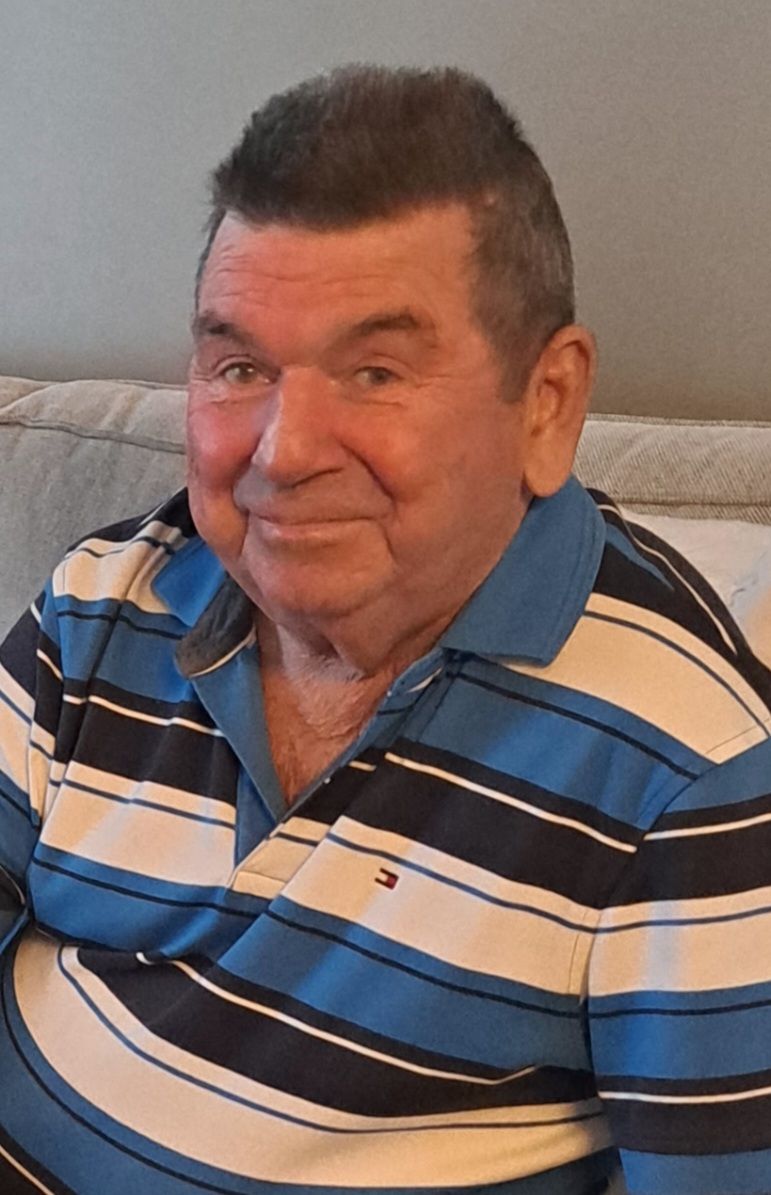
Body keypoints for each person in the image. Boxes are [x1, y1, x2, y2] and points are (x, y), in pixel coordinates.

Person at [0, 64, 770, 1195]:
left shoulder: (691, 765)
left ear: (547, 403)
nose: (283, 452)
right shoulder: (105, 600)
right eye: (240, 366)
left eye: (374, 370)